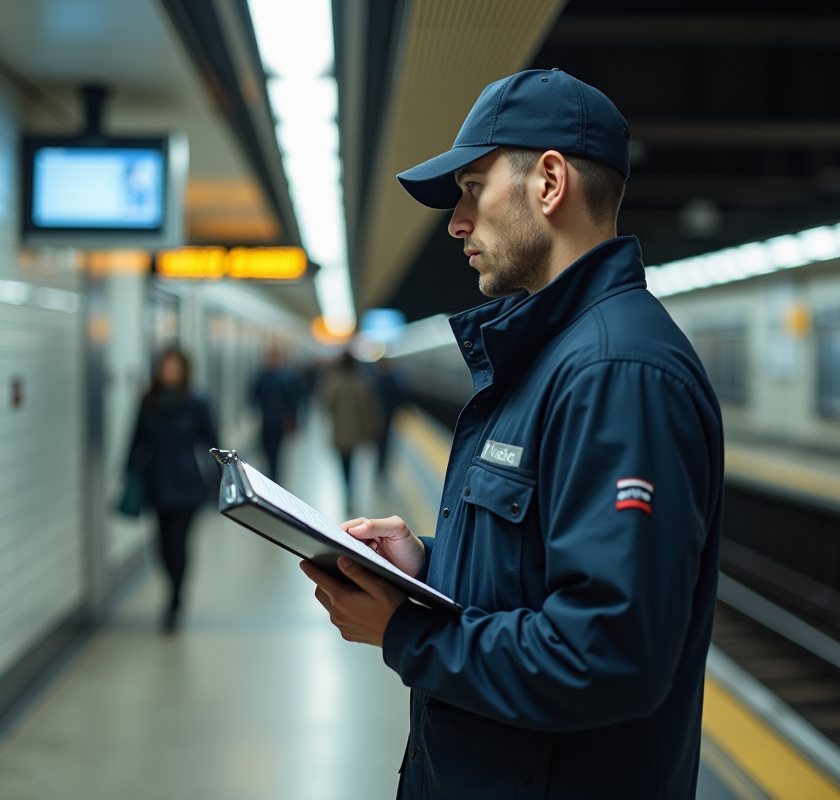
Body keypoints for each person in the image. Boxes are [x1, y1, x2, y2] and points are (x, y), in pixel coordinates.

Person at [299, 69, 723, 798]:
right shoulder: (549, 359)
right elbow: (534, 574)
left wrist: (407, 632)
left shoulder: (617, 372)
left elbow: (607, 655)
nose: (457, 222)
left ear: (549, 182)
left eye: (472, 187)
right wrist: (427, 568)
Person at [127, 348, 220, 631]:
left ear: (184, 371)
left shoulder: (197, 402)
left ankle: (175, 600)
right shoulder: (149, 402)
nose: (169, 372)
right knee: (161, 546)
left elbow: (212, 441)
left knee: (178, 543)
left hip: (187, 483)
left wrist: (226, 479)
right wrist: (128, 469)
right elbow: (136, 438)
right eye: (165, 367)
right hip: (156, 480)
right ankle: (172, 588)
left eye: (175, 367)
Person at [318, 351, 381, 513]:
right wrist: (370, 430)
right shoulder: (362, 382)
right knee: (352, 463)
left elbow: (327, 405)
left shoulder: (334, 382)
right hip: (356, 433)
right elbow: (367, 409)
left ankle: (347, 492)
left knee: (343, 465)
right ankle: (351, 493)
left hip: (339, 432)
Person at [251, 346, 298, 480]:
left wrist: (292, 420)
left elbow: (291, 401)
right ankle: (270, 474)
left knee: (275, 452)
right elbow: (254, 396)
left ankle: (273, 476)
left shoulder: (284, 379)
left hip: (278, 422)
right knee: (265, 449)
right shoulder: (262, 377)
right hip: (265, 421)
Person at [373, 359, 405, 476]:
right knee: (384, 443)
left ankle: (380, 466)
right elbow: (398, 398)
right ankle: (381, 467)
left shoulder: (375, 380)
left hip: (377, 418)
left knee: (380, 444)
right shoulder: (392, 380)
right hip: (387, 417)